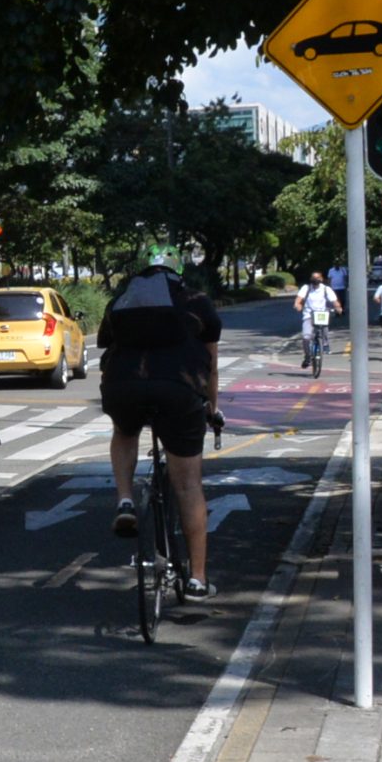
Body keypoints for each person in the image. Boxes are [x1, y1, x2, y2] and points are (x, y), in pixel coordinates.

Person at [98, 256, 225, 602]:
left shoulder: (122, 301)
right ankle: (197, 578)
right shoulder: (198, 303)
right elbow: (210, 367)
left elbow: (106, 348)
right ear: (178, 279)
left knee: (125, 430)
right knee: (187, 485)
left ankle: (124, 499)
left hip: (123, 387)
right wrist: (212, 409)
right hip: (180, 390)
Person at [294, 271, 341, 367]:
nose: (315, 280)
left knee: (324, 330)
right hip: (309, 315)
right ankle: (307, 357)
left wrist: (338, 307)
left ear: (321, 279)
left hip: (321, 314)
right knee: (306, 336)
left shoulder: (326, 289)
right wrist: (298, 305)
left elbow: (334, 301)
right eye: (313, 277)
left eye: (317, 277)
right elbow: (298, 300)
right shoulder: (306, 288)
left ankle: (325, 344)